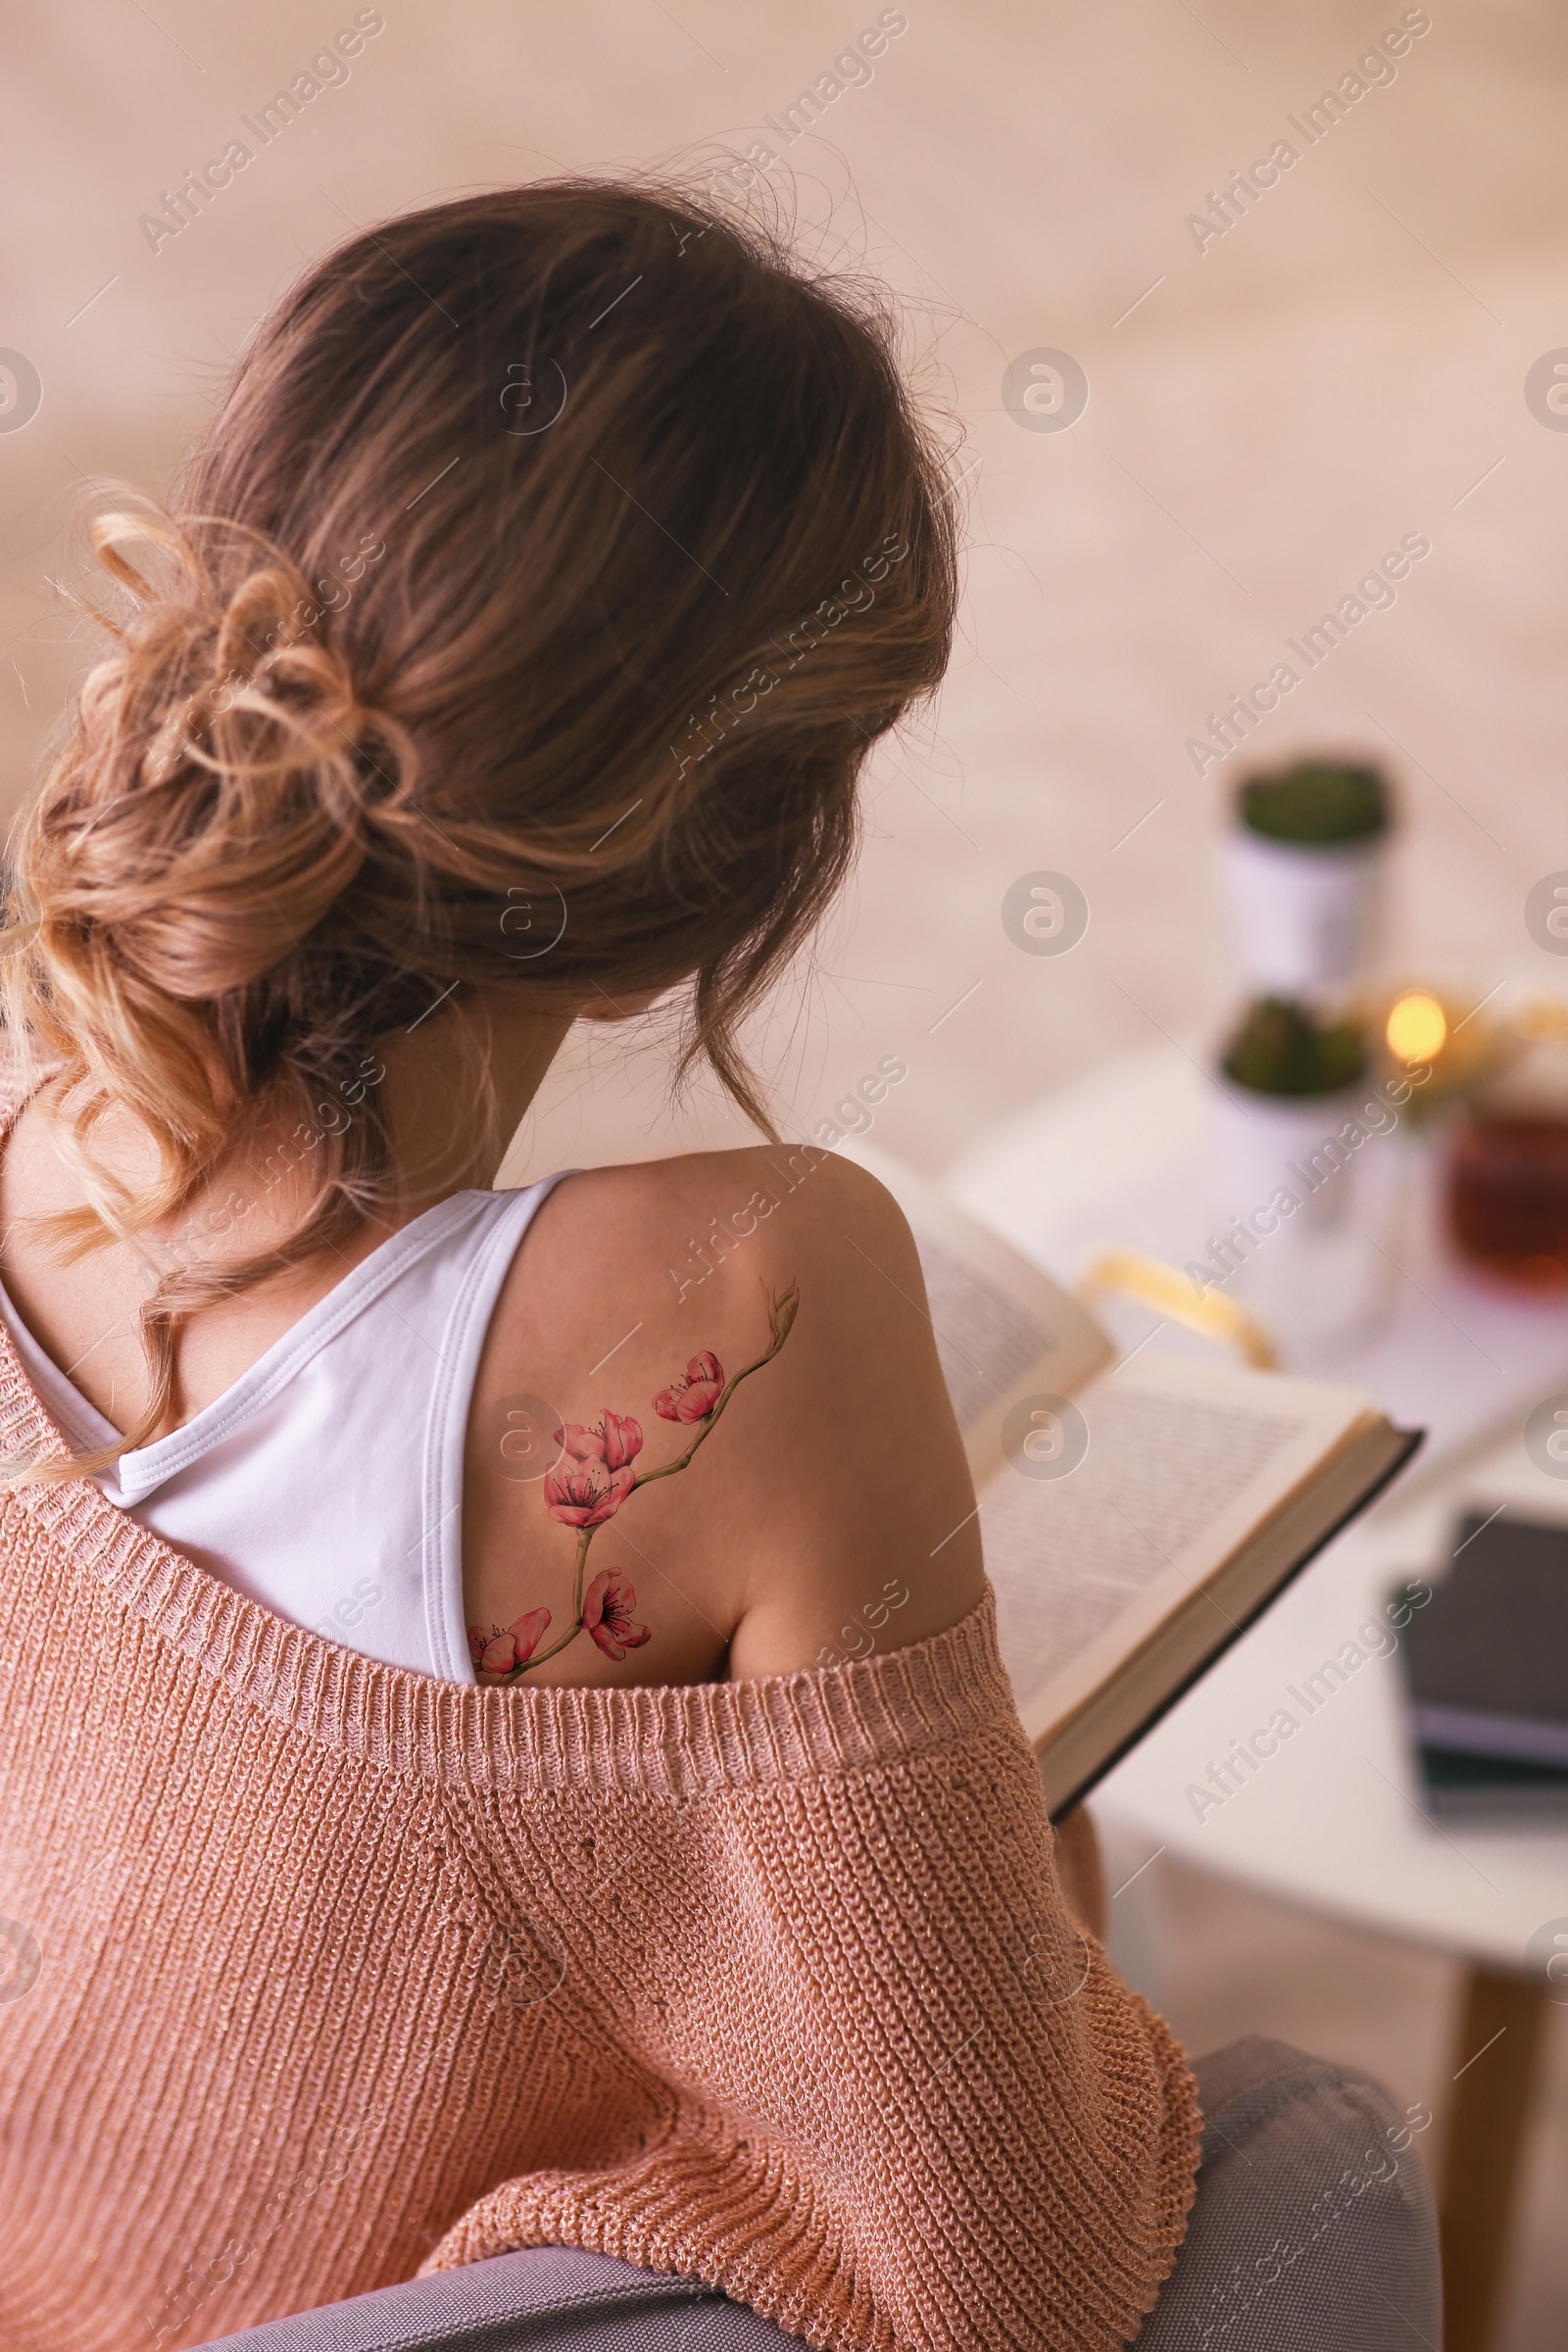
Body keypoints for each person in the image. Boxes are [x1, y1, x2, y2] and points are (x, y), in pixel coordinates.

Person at [0, 183, 1434, 2352]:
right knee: (1302, 2136)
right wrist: (990, 1838)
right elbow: (1004, 2259)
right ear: (731, 879)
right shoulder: (742, 1295)